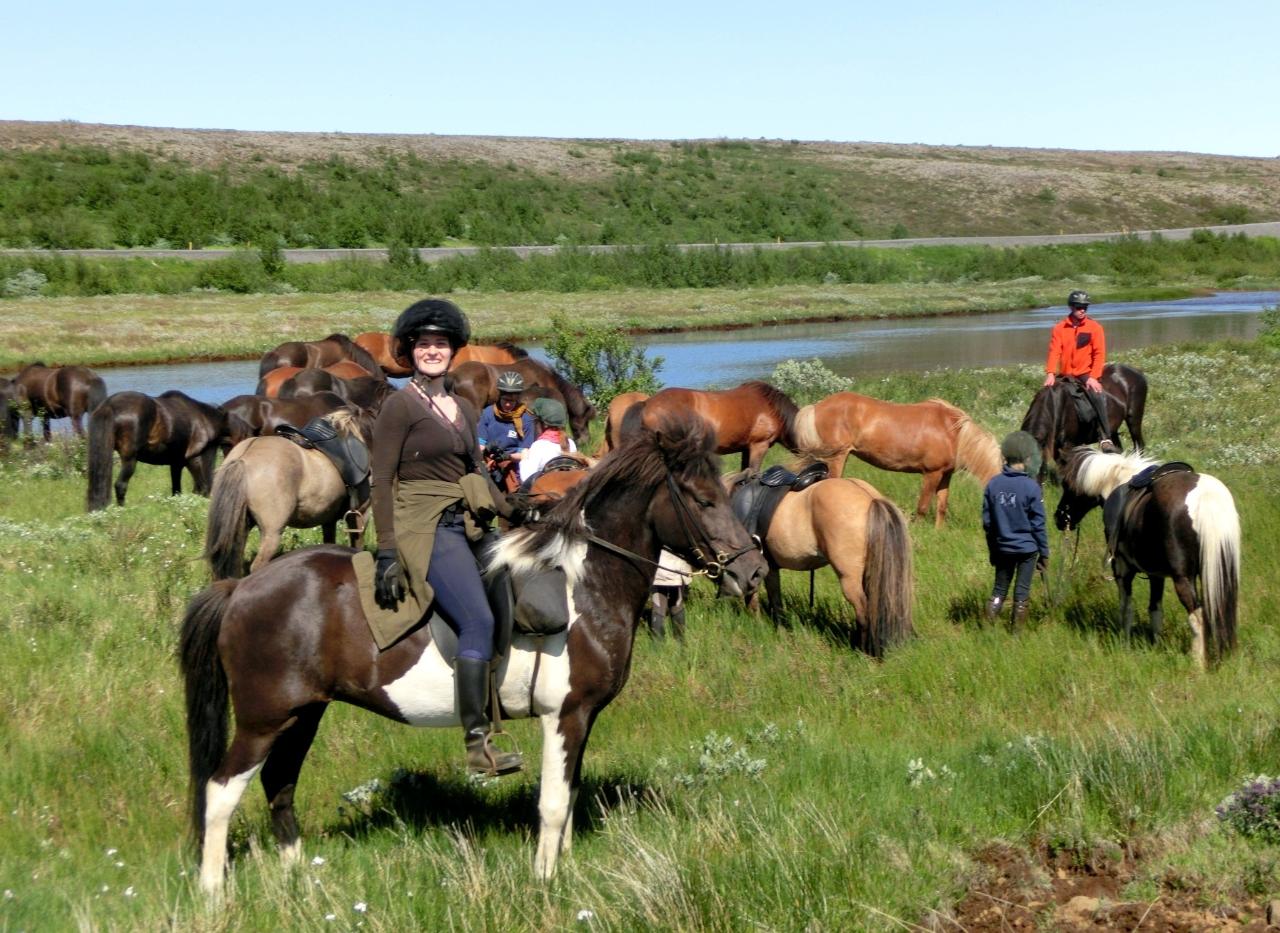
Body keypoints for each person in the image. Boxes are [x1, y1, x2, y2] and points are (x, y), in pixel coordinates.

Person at [370, 298, 523, 777]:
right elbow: (380, 480)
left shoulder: (461, 405)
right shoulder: (398, 405)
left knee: (513, 592)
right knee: (477, 619)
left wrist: (516, 510)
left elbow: (476, 469)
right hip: (424, 522)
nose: (432, 351)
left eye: (441, 343)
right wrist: (388, 549)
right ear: (410, 351)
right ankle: (478, 747)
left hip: (467, 516)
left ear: (453, 350)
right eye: (424, 343)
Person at [981, 431, 1049, 629]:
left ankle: (986, 628)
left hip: (1002, 548)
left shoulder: (993, 484)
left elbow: (988, 523)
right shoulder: (1031, 487)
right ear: (1028, 458)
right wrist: (1044, 553)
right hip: (1027, 551)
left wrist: (993, 549)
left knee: (999, 590)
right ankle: (1016, 634)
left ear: (1005, 457)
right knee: (1022, 593)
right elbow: (1038, 525)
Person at [1044, 289, 1112, 447]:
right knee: (1047, 396)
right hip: (1065, 374)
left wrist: (1094, 377)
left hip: (1085, 373)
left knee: (1097, 395)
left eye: (1085, 307)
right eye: (1078, 307)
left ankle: (1105, 436)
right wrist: (1050, 373)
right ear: (1071, 307)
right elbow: (1054, 351)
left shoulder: (1095, 327)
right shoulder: (1059, 328)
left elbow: (1099, 353)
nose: (1082, 310)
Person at [476, 370, 536, 490]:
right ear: (499, 397)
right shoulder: (488, 413)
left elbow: (524, 454)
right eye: (505, 400)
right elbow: (480, 445)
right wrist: (486, 450)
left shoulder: (526, 419)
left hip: (513, 464)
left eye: (512, 401)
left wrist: (507, 457)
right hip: (489, 461)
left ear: (518, 398)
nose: (508, 405)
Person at [517, 397, 578, 483]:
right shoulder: (571, 443)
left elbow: (527, 479)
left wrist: (524, 459)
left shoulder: (539, 446)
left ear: (542, 424)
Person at [648, 549, 692, 641]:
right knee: (674, 602)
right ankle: (679, 642)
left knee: (661, 604)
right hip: (671, 565)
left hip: (659, 564)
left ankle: (660, 645)